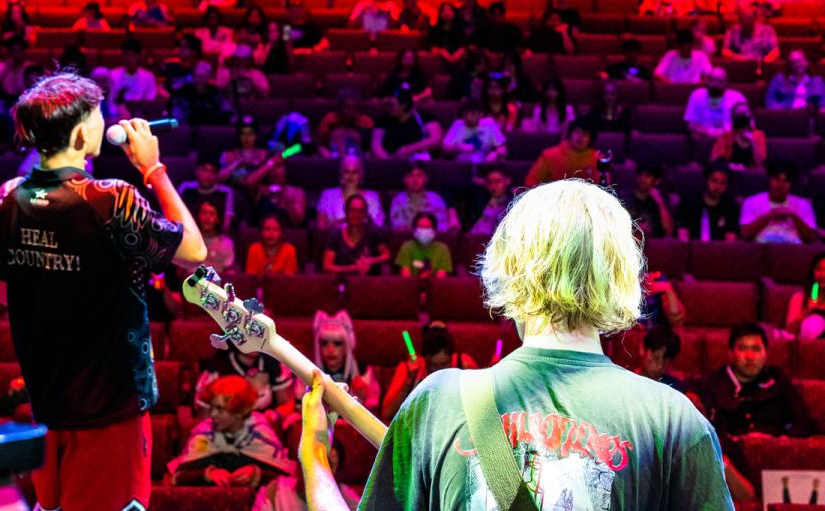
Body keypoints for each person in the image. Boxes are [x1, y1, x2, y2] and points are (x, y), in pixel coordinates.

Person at [301, 179, 734, 510]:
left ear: (507, 266)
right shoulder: (674, 421)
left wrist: (316, 457)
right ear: (621, 273)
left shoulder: (438, 401)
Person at [0, 71, 206, 511]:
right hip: (110, 413)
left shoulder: (5, 199)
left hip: (47, 408)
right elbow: (194, 251)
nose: (105, 122)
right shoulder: (110, 198)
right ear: (82, 132)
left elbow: (1, 294)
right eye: (99, 114)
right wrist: (153, 169)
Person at [169, 375, 292, 488]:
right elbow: (178, 477)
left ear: (239, 412)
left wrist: (257, 473)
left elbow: (285, 479)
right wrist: (206, 474)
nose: (212, 414)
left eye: (220, 409)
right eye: (211, 407)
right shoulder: (203, 431)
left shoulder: (260, 431)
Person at [697, 322, 812, 438]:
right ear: (730, 353)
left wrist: (783, 440)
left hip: (773, 447)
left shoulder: (778, 378)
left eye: (756, 349)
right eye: (742, 349)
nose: (750, 356)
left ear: (766, 353)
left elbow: (803, 421)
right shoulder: (714, 382)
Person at [379, 325, 478, 421]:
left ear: (451, 358)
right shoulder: (410, 369)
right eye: (434, 365)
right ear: (425, 360)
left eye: (444, 364)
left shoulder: (464, 365)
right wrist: (408, 383)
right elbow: (387, 414)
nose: (440, 371)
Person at [310, 311, 381, 411]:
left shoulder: (362, 372)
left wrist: (367, 396)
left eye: (337, 343)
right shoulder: (310, 371)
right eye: (324, 343)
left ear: (346, 346)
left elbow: (374, 413)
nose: (330, 350)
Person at [739, 162, 818, 244]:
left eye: (786, 181)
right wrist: (769, 216)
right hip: (762, 250)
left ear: (791, 184)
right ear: (769, 180)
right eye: (777, 179)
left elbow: (811, 238)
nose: (780, 185)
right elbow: (745, 234)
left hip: (794, 250)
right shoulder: (751, 202)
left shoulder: (803, 205)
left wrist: (793, 216)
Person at [322, 195, 390, 276]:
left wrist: (370, 260)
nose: (356, 214)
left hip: (368, 283)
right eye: (352, 210)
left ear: (365, 214)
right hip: (342, 283)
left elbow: (387, 255)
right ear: (346, 212)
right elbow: (327, 266)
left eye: (360, 211)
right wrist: (354, 268)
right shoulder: (336, 235)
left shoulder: (372, 233)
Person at [676, 161, 741, 242]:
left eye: (722, 183)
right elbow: (683, 240)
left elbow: (730, 243)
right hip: (692, 251)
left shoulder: (731, 207)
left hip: (719, 252)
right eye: (714, 181)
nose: (717, 186)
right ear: (706, 180)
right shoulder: (689, 203)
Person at [315, 156, 385, 230]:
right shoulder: (328, 195)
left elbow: (379, 228)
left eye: (354, 172)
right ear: (341, 174)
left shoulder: (373, 197)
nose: (350, 176)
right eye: (346, 172)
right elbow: (321, 228)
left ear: (361, 175)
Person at [371, 91, 442, 161]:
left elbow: (436, 140)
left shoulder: (425, 117)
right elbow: (376, 145)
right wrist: (388, 161)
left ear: (404, 105)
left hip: (420, 162)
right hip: (390, 161)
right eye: (386, 105)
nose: (387, 108)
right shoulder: (383, 120)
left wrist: (408, 149)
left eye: (391, 105)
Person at [388, 165, 456, 233]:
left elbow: (442, 225)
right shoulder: (398, 200)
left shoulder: (436, 199)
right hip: (407, 239)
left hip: (432, 238)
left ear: (425, 179)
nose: (415, 180)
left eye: (419, 175)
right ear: (405, 179)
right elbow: (398, 226)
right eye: (410, 176)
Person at [683, 68, 746, 139]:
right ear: (707, 81)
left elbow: (747, 125)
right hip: (704, 140)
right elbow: (690, 125)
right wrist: (708, 133)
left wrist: (727, 134)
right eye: (712, 80)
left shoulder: (737, 97)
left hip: (730, 141)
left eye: (720, 81)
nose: (715, 84)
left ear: (726, 83)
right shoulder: (697, 95)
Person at [178, 159, 236, 232]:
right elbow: (176, 216)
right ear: (197, 171)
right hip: (188, 234)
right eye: (204, 170)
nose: (208, 175)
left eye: (213, 171)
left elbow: (226, 224)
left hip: (216, 237)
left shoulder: (225, 192)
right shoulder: (185, 188)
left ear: (217, 175)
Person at [441, 101, 507, 164]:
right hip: (461, 163)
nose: (469, 117)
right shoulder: (458, 124)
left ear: (481, 114)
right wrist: (458, 147)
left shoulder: (489, 123)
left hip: (484, 162)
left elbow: (502, 148)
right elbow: (445, 149)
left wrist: (495, 153)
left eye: (472, 114)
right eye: (466, 114)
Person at [394, 212, 452, 278]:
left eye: (427, 227)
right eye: (420, 227)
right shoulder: (407, 247)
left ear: (434, 231)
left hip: (434, 286)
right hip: (411, 286)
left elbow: (440, 279)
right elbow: (406, 277)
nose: (424, 231)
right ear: (414, 230)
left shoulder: (442, 249)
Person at [709, 104, 766, 170]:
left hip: (751, 175)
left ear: (751, 116)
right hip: (730, 173)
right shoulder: (725, 137)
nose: (742, 117)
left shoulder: (758, 135)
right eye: (738, 114)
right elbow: (715, 160)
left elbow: (760, 164)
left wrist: (753, 142)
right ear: (733, 118)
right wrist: (733, 166)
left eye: (744, 114)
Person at [625, 165, 675, 239]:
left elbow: (669, 230)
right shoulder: (626, 198)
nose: (642, 179)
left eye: (647, 176)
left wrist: (659, 202)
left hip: (655, 245)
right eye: (640, 175)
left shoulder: (662, 200)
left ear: (657, 181)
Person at [783, 253, 825, 338]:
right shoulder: (799, 297)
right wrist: (806, 311)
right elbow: (789, 332)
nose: (823, 275)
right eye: (818, 269)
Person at [636, 326, 687, 392]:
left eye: (665, 362)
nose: (660, 366)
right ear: (642, 349)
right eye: (656, 358)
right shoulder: (628, 382)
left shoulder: (674, 388)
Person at [108, 38, 158, 102]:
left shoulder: (148, 77)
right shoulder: (112, 75)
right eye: (126, 55)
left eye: (132, 55)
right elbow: (110, 101)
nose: (129, 59)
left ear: (139, 56)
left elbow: (150, 100)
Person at [469, 166, 514, 236]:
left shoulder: (513, 204)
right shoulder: (480, 201)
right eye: (489, 182)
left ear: (507, 181)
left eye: (497, 181)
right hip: (474, 239)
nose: (493, 186)